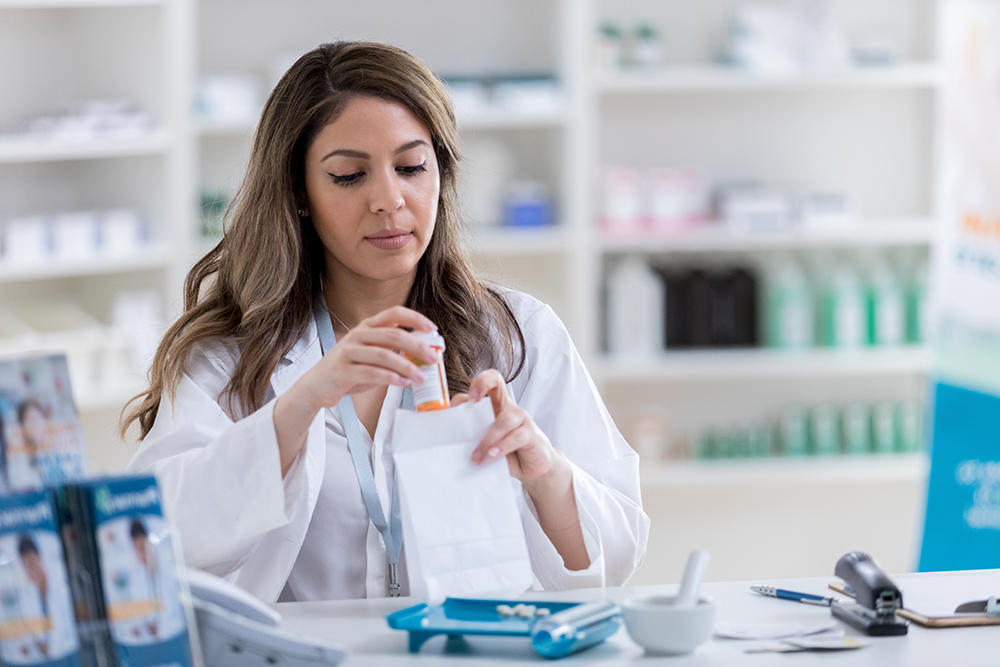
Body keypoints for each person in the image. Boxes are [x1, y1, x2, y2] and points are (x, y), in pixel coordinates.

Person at [124, 41, 649, 602]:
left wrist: (546, 475)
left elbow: (611, 561)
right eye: (349, 176)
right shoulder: (230, 354)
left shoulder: (518, 335)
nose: (389, 199)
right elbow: (153, 541)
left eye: (411, 167)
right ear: (300, 192)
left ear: (440, 175)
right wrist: (298, 406)